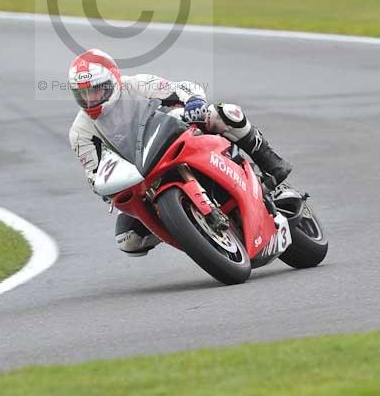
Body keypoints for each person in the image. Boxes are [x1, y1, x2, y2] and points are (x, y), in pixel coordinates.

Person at [68, 48, 292, 257]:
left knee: (221, 112)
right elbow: (94, 174)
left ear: (113, 81)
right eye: (84, 94)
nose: (91, 99)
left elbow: (184, 88)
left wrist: (194, 102)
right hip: (142, 177)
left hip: (177, 137)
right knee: (128, 240)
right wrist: (107, 187)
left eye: (96, 90)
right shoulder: (81, 131)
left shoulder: (137, 85)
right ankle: (187, 229)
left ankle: (269, 161)